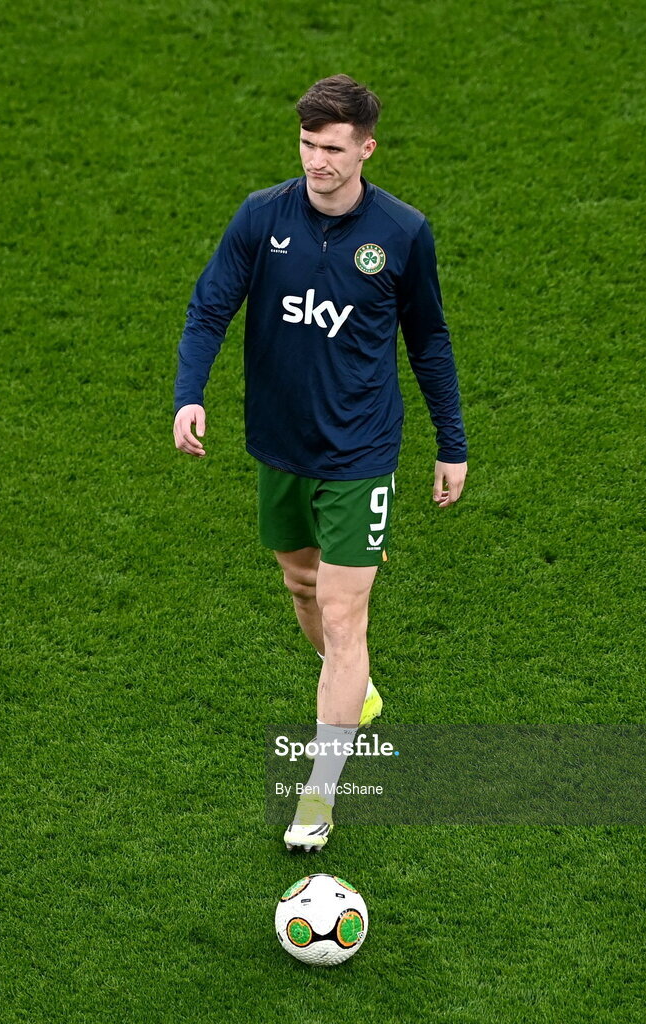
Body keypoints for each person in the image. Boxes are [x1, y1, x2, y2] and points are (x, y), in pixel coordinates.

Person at [173, 74, 467, 851]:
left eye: (333, 149)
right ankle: (356, 689)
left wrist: (452, 442)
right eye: (307, 145)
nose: (317, 162)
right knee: (300, 585)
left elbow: (429, 340)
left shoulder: (402, 233)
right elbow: (210, 306)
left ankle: (320, 790)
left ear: (367, 148)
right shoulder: (262, 216)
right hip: (280, 446)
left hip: (361, 452)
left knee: (344, 616)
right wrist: (188, 392)